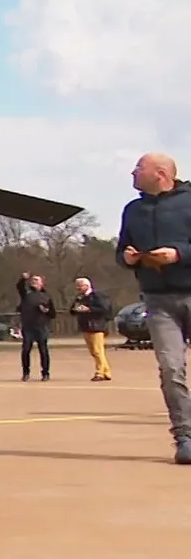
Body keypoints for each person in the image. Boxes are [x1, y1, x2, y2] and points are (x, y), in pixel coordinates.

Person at [115, 151, 191, 464]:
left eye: (138, 168)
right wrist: (128, 258)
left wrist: (179, 254)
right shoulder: (133, 210)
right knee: (171, 368)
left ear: (160, 173)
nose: (132, 173)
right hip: (158, 300)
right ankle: (185, 437)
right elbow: (121, 250)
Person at [71, 276, 113, 382]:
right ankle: (106, 371)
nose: (78, 288)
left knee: (98, 350)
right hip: (85, 326)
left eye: (80, 286)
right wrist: (76, 309)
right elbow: (72, 310)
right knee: (93, 352)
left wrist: (89, 309)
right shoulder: (79, 297)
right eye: (77, 286)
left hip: (97, 326)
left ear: (87, 285)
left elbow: (104, 309)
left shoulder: (98, 296)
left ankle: (99, 373)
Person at [16, 272, 55, 381]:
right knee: (26, 350)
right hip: (28, 327)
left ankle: (45, 373)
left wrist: (46, 311)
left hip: (42, 327)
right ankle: (26, 373)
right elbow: (19, 287)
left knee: (43, 351)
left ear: (42, 283)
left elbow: (53, 314)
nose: (34, 281)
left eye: (36, 280)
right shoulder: (26, 293)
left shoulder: (47, 296)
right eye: (32, 280)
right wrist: (23, 279)